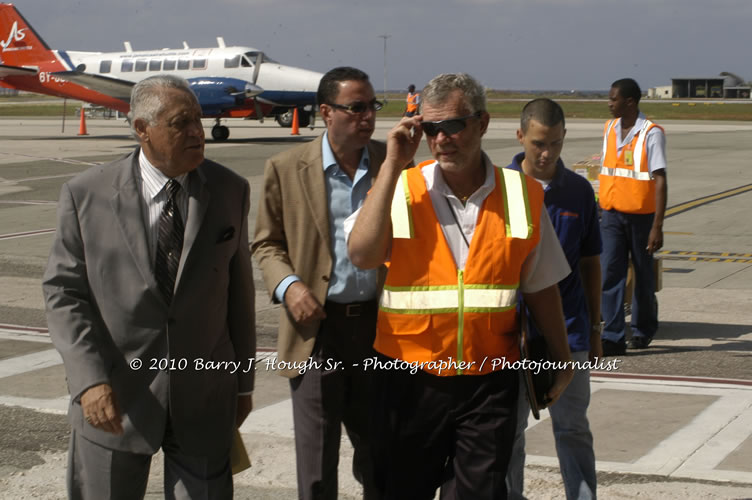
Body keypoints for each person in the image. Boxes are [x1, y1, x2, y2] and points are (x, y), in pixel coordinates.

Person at [347, 73, 574, 499]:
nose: (441, 139)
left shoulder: (521, 194)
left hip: (490, 381)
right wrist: (393, 164)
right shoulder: (401, 187)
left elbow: (541, 284)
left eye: (452, 125)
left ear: (483, 123)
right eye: (430, 129)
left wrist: (561, 357)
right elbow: (362, 254)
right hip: (407, 376)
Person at [42, 74, 256, 499]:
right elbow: (64, 293)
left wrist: (243, 382)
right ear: (142, 129)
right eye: (180, 123)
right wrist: (88, 380)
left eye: (198, 119)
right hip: (112, 396)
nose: (197, 131)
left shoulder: (230, 189)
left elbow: (239, 293)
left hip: (204, 395)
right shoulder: (87, 194)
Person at [252, 66, 386, 499]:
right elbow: (266, 245)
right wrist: (289, 286)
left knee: (381, 457)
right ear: (327, 112)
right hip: (317, 334)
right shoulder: (287, 167)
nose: (367, 117)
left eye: (372, 107)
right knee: (316, 466)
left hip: (380, 331)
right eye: (356, 108)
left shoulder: (392, 164)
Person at [505, 98, 602, 500]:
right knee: (508, 433)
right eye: (539, 144)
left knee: (573, 427)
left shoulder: (578, 191)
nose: (547, 154)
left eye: (557, 144)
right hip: (511, 335)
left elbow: (590, 262)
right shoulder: (501, 188)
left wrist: (596, 329)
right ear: (521, 137)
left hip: (570, 330)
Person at [599, 78, 667, 356]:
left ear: (629, 102)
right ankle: (613, 336)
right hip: (612, 214)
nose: (609, 103)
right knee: (610, 274)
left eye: (613, 99)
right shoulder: (609, 128)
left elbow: (660, 180)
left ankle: (642, 330)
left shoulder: (651, 133)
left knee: (642, 275)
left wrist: (657, 226)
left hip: (641, 217)